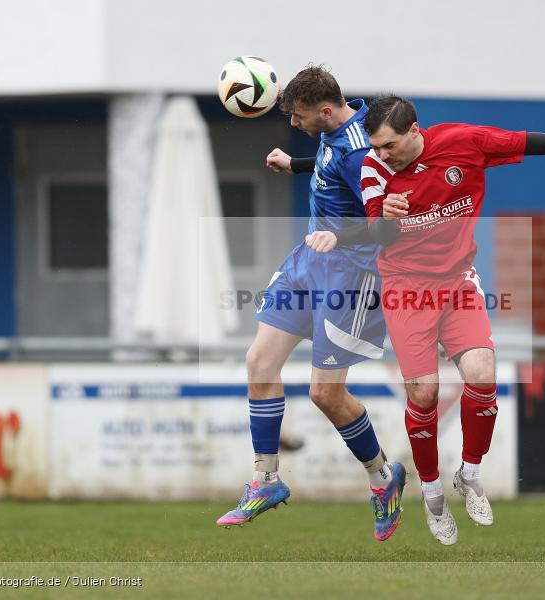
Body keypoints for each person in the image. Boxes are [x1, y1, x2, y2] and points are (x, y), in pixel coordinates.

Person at [352, 95, 545, 545]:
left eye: (389, 145)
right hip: (406, 287)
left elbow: (523, 142)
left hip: (458, 280)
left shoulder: (464, 142)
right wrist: (384, 216)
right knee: (424, 393)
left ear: (415, 131)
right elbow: (378, 236)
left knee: (482, 374)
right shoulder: (374, 169)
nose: (381, 154)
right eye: (375, 147)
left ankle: (471, 473)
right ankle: (433, 493)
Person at [216, 69, 405, 542]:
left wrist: (337, 234)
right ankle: (266, 481)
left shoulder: (364, 150)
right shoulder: (337, 124)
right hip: (310, 259)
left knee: (326, 395)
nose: (295, 124)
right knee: (259, 361)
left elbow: (385, 225)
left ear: (324, 110)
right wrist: (297, 164)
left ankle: (384, 480)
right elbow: (334, 166)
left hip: (352, 273)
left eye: (299, 118)